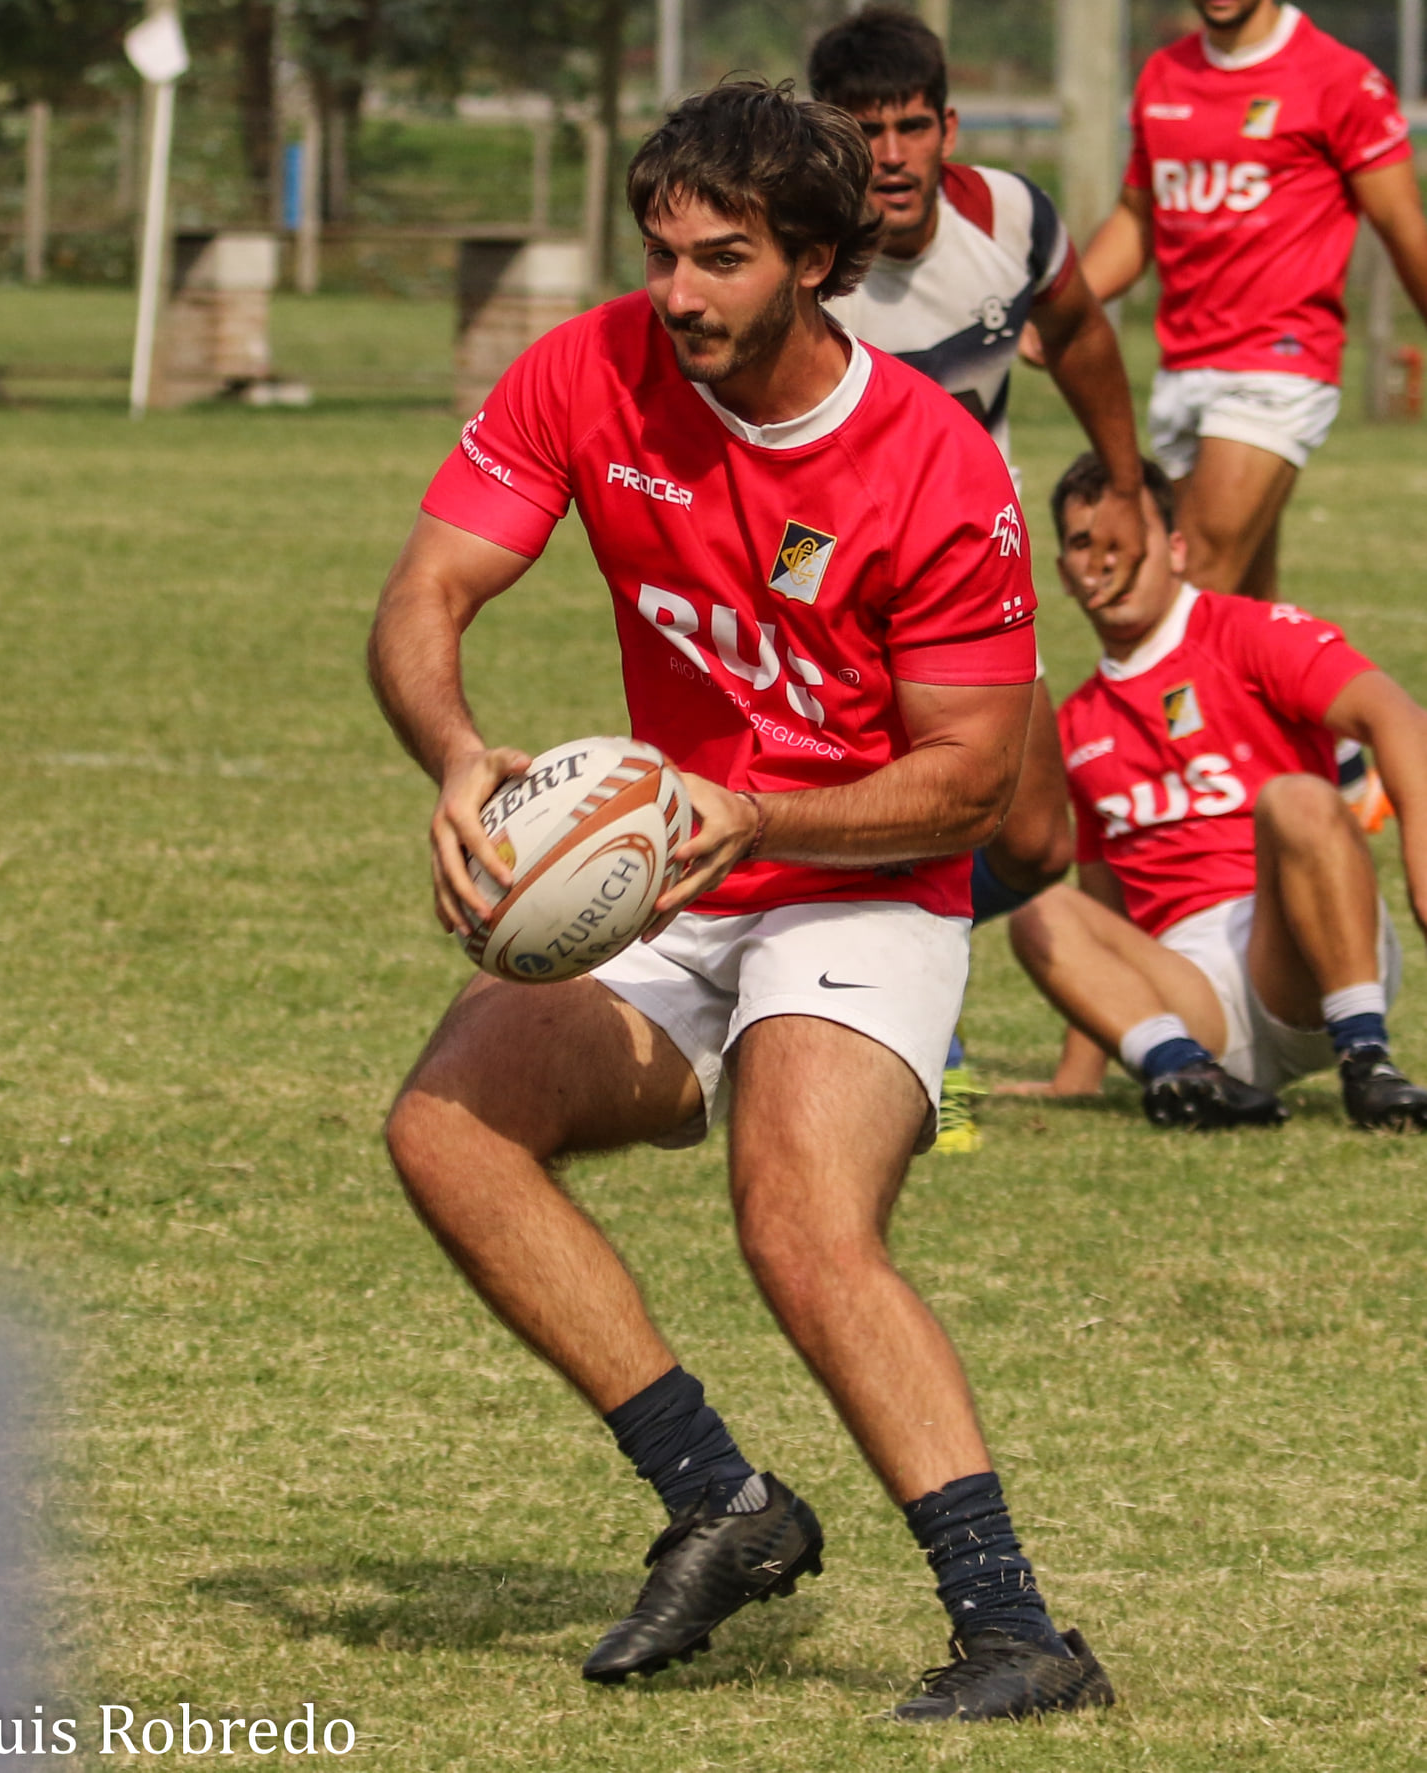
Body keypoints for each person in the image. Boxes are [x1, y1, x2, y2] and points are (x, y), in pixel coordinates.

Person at [368, 81, 1113, 1723]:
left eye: (721, 260)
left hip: (858, 876)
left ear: (820, 266)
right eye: (661, 254)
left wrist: (762, 808)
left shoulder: (932, 464)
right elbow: (428, 581)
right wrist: (454, 751)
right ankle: (722, 1500)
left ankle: (1016, 1630)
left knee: (797, 1217)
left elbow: (974, 778)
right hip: (666, 868)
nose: (679, 294)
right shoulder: (595, 370)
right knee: (446, 1121)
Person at [807, 6, 1147, 1144]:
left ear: (948, 126)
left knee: (1036, 840)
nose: (892, 155)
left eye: (911, 126)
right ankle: (911, 1048)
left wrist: (1125, 478)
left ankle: (910, 942)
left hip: (974, 574)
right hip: (834, 585)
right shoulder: (801, 265)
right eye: (865, 132)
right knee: (909, 817)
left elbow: (1082, 334)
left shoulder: (1009, 217)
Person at [1008, 450, 1427, 1132]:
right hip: (1194, 992)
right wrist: (1075, 1076)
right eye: (1084, 542)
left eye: (1124, 535)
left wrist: (1421, 875)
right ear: (1062, 573)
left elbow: (1399, 718)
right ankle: (1188, 1073)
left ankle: (1367, 1060)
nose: (1106, 559)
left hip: (1301, 948)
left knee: (1293, 796)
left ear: (1174, 548)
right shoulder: (1077, 722)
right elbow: (1104, 911)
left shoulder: (1245, 630)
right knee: (1038, 908)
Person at [1080, 0, 1427, 606]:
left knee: (1185, 584)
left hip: (1278, 360)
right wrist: (1061, 307)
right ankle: (1282, 703)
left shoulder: (1340, 78)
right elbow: (1137, 222)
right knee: (1245, 608)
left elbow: (1402, 224)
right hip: (1183, 367)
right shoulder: (1164, 73)